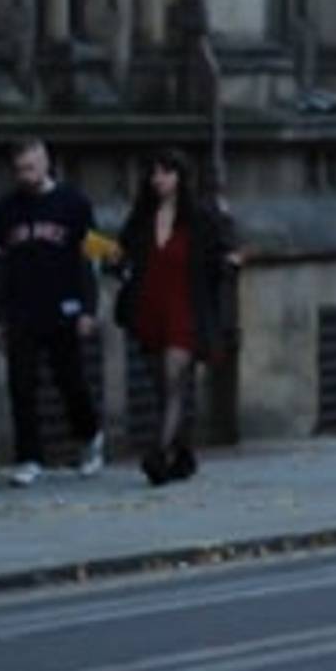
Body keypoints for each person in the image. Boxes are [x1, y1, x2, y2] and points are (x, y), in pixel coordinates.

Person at [114, 146, 241, 485]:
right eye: (154, 173)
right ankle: (182, 454)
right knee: (163, 387)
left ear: (180, 177)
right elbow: (122, 251)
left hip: (186, 310)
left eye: (166, 172)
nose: (159, 180)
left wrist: (229, 263)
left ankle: (157, 455)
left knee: (173, 380)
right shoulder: (142, 216)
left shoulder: (199, 216)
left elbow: (223, 251)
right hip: (151, 308)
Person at [0, 138, 103, 484]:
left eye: (31, 168)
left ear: (46, 163)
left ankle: (89, 437)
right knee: (21, 384)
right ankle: (28, 457)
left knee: (70, 381)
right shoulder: (5, 209)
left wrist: (88, 308)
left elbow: (91, 259)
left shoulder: (74, 203)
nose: (25, 176)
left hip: (63, 305)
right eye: (20, 169)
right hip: (22, 308)